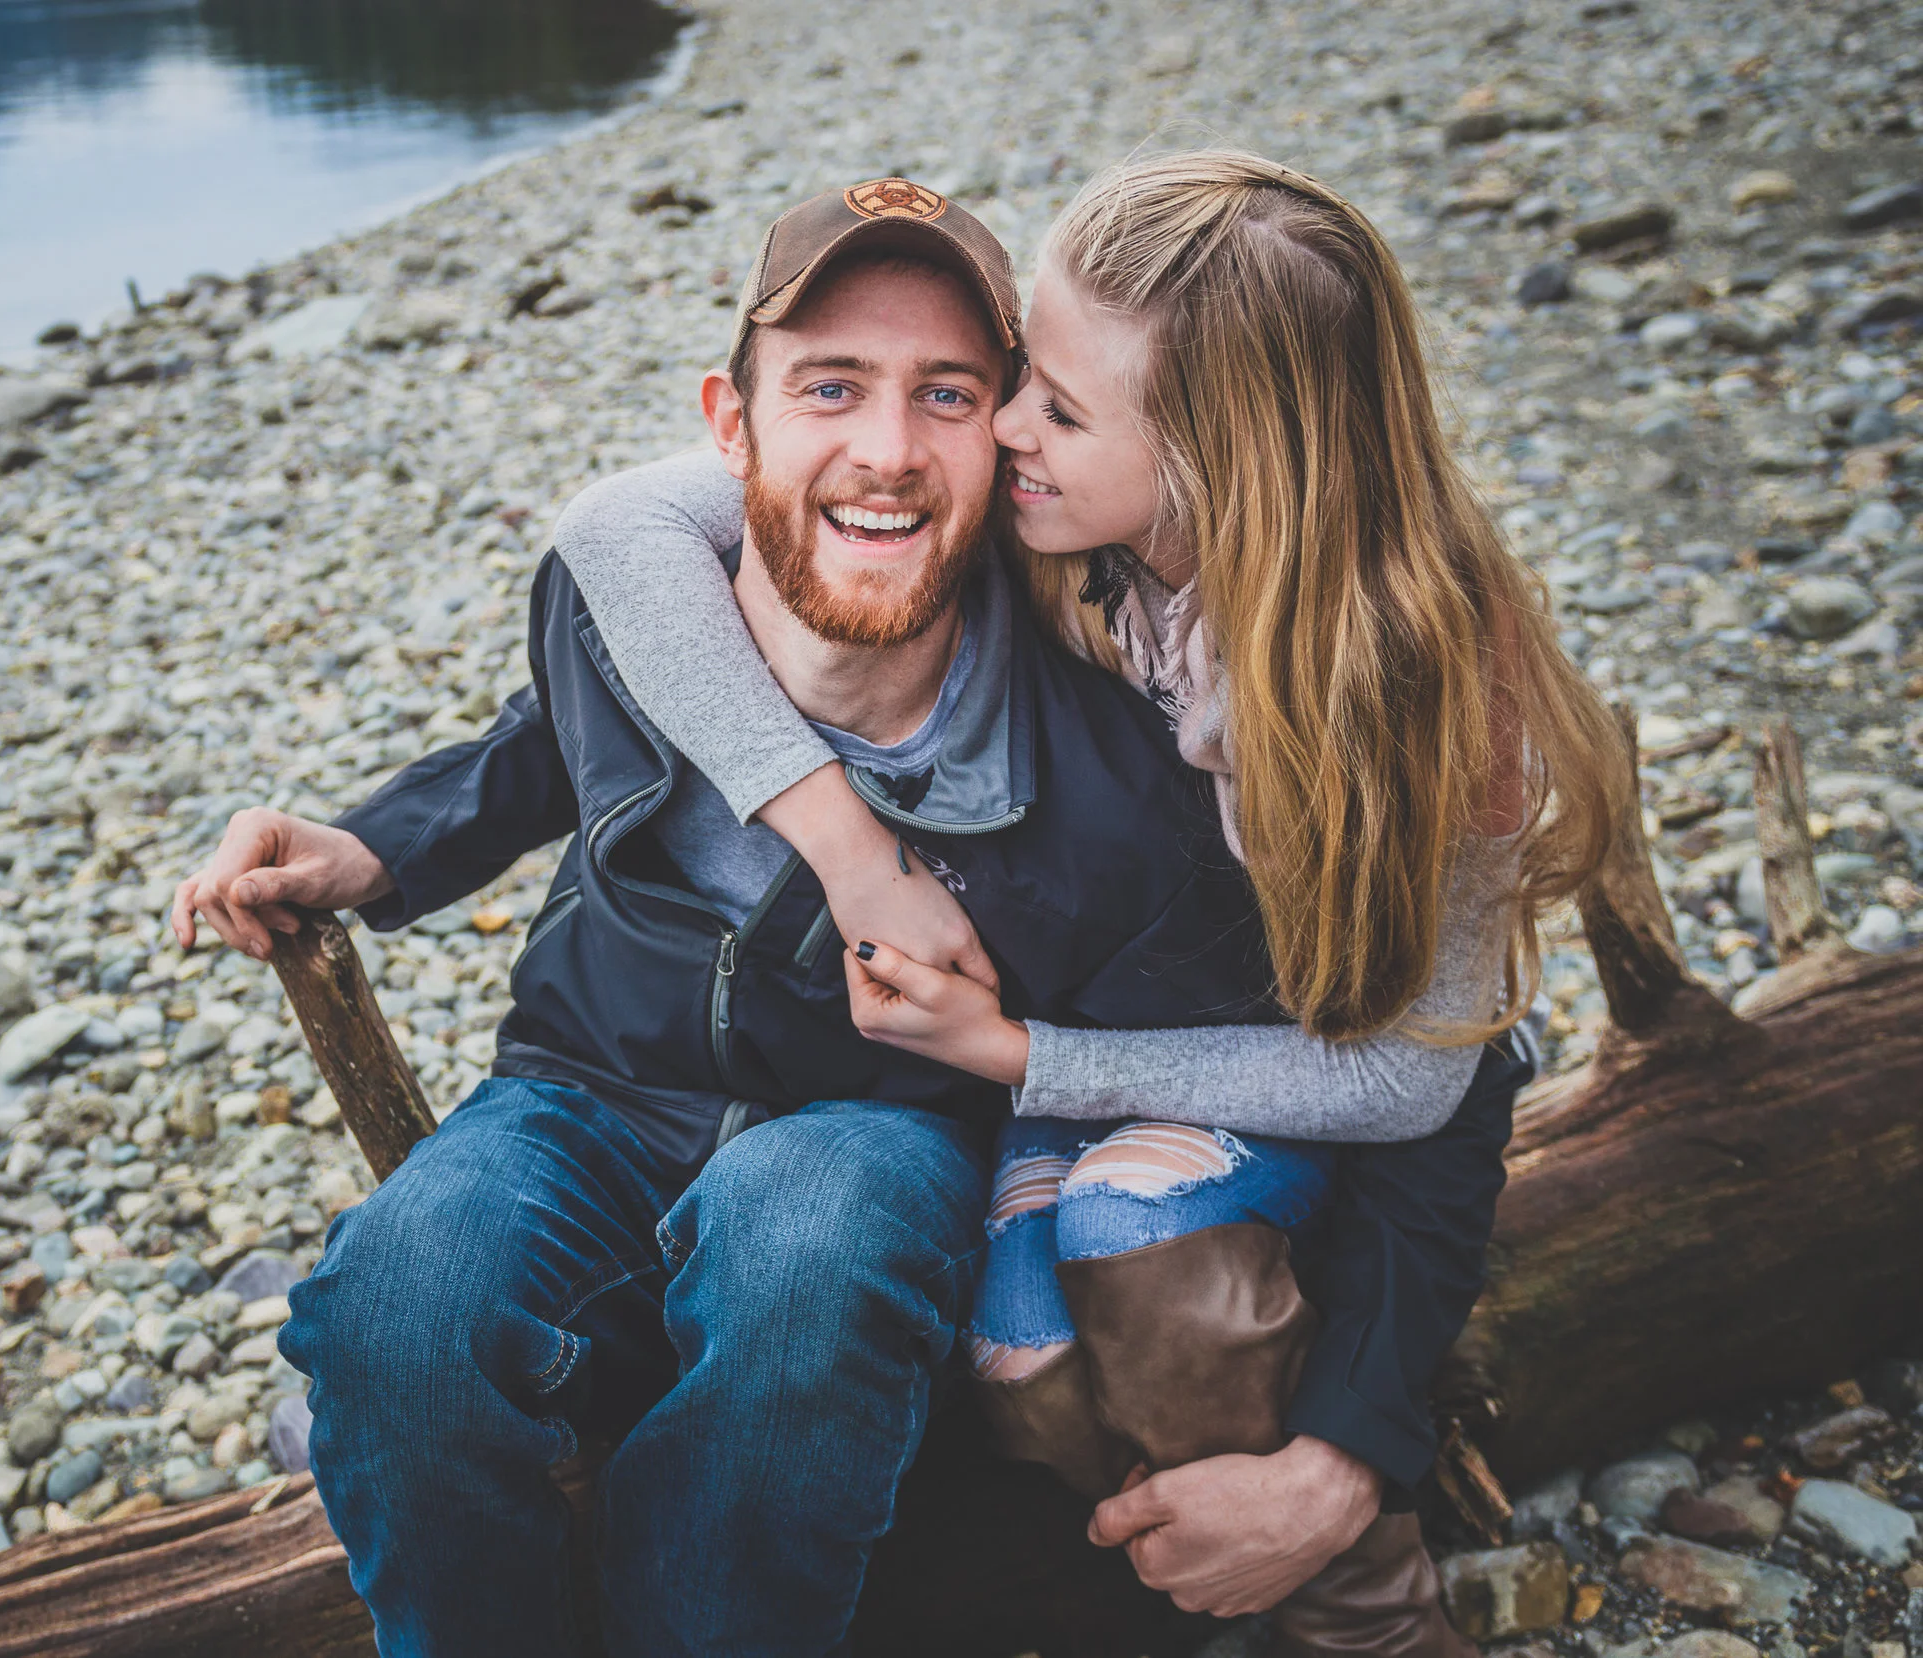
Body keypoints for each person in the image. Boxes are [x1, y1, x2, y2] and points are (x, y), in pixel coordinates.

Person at [170, 178, 1534, 1658]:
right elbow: (565, 708)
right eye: (831, 387)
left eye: (960, 394)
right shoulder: (659, 599)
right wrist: (375, 846)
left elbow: (1414, 1066)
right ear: (733, 422)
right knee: (397, 1309)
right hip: (587, 1083)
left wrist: (1346, 1447)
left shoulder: (1113, 712)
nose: (893, 449)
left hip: (883, 1117)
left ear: (1012, 430)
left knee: (807, 1247)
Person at [544, 154, 1628, 1651]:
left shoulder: (1416, 691)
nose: (996, 431)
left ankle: (1365, 1613)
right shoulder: (1079, 534)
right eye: (1020, 380)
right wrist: (854, 853)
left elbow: (1414, 1075)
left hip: (1330, 1091)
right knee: (1015, 1335)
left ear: (1211, 459)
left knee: (1142, 1229)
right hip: (1139, 1039)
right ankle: (1172, 1554)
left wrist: (1027, 1063)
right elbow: (615, 530)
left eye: (1052, 404)